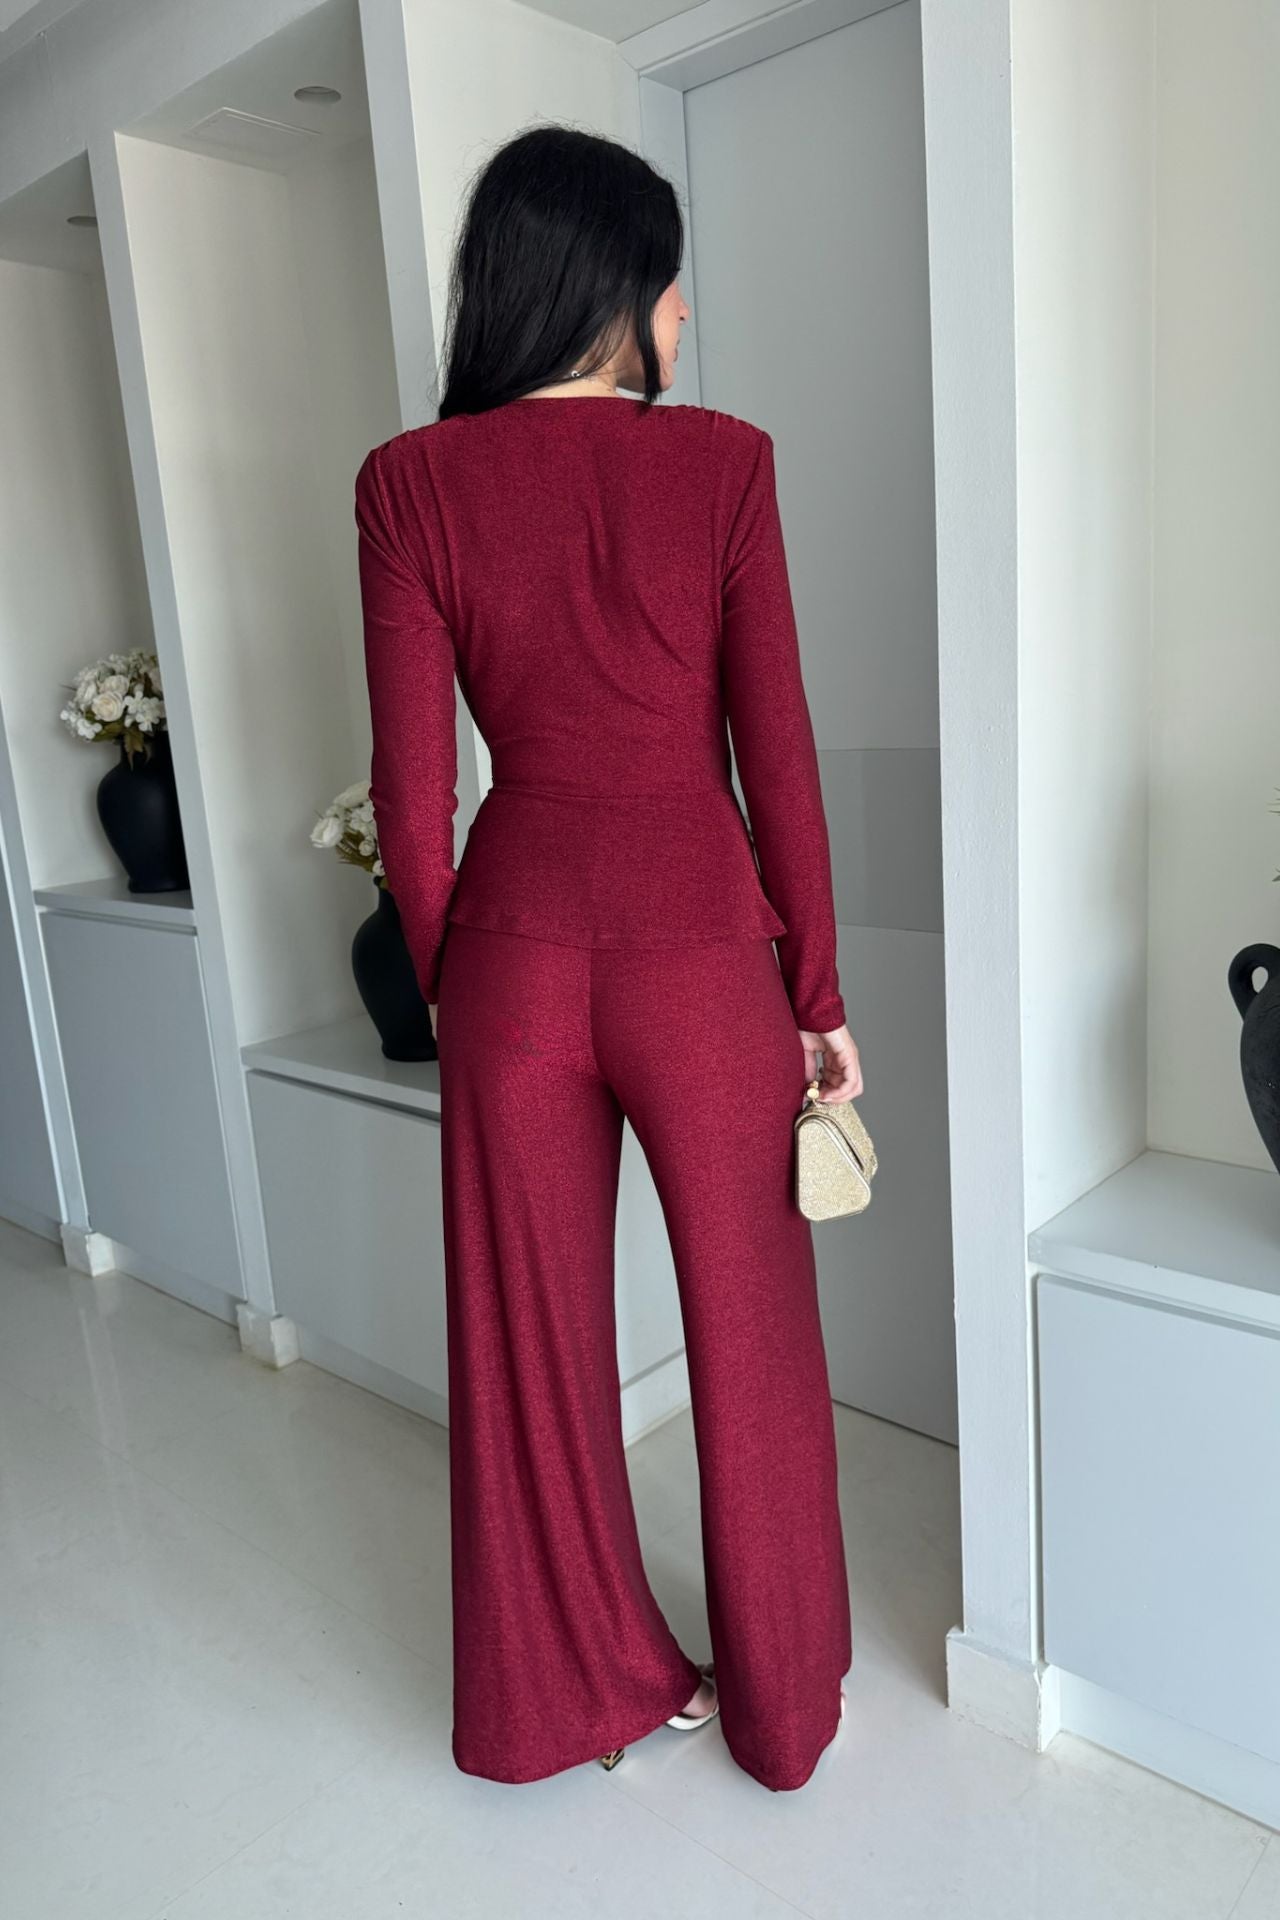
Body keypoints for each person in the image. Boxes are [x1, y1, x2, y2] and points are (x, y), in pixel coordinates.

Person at [354, 122, 863, 1794]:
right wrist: (819, 1000)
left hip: (507, 958)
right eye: (669, 280)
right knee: (755, 1337)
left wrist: (457, 981)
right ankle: (782, 1718)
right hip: (703, 956)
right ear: (615, 293)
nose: (685, 315)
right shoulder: (721, 465)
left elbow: (412, 807)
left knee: (526, 1351)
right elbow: (773, 756)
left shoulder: (407, 485)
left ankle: (562, 1699)